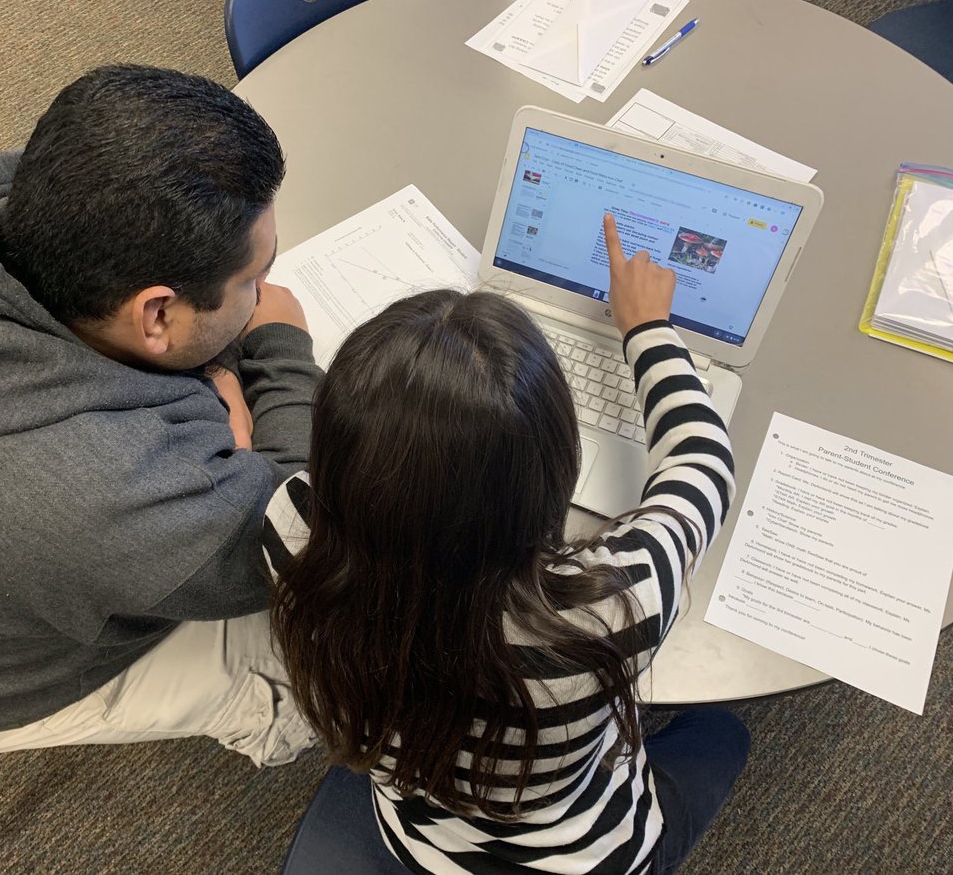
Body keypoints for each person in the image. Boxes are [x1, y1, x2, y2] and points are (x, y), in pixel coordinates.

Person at [0, 65, 321, 764]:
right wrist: (281, 345)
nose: (267, 290)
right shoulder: (116, 490)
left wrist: (217, 374)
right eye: (253, 279)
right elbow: (291, 540)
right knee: (348, 644)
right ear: (156, 313)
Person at [263, 214, 748, 872]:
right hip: (586, 856)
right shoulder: (603, 613)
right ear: (548, 475)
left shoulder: (289, 534)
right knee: (723, 731)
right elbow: (703, 464)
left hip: (416, 838)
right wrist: (647, 327)